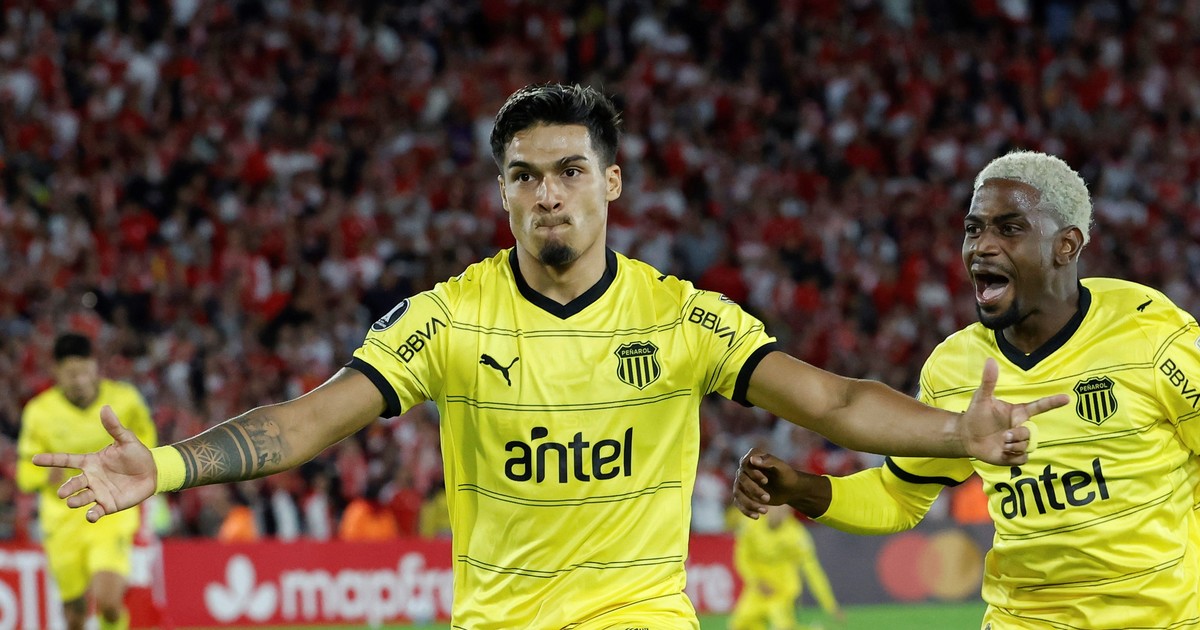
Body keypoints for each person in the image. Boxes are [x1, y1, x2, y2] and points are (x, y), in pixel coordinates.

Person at [34, 84, 1066, 629]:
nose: (547, 194)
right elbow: (308, 421)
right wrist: (163, 465)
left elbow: (831, 401)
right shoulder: (448, 320)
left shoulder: (682, 319)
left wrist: (956, 433)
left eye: (570, 170)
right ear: (501, 195)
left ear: (611, 183)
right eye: (524, 176)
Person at [733, 150, 1200, 629]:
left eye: (1009, 228)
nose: (982, 246)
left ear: (1066, 245)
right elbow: (897, 497)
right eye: (974, 229)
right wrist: (800, 489)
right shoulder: (955, 367)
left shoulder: (1150, 333)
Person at [16, 333, 158, 630]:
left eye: (84, 371)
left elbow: (148, 448)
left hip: (111, 511)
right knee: (74, 616)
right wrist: (44, 476)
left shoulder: (125, 400)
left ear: (95, 366)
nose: (79, 380)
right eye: (71, 373)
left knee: (109, 603)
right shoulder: (39, 413)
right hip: (62, 520)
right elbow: (24, 473)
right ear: (56, 371)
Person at [731, 505, 842, 630]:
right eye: (776, 506)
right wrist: (756, 581)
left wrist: (830, 604)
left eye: (785, 508)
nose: (780, 512)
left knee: (783, 626)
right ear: (767, 506)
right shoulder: (751, 526)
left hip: (784, 591)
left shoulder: (796, 535)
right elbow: (742, 558)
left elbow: (813, 571)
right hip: (759, 589)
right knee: (740, 626)